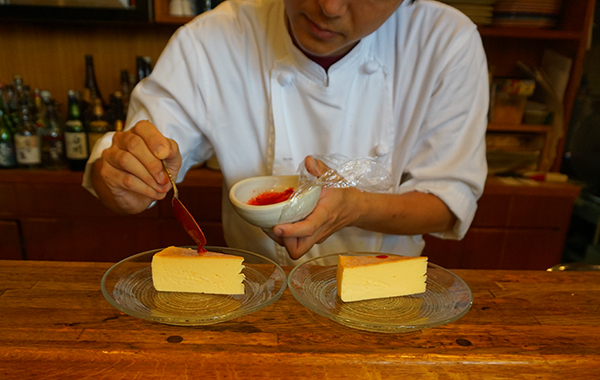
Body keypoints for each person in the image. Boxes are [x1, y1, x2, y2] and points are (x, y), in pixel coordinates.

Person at [83, 0, 489, 266]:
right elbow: (135, 167)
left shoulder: (445, 41)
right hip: (257, 292)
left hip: (384, 292)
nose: (328, 7)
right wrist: (126, 177)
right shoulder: (212, 39)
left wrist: (355, 207)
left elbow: (448, 199)